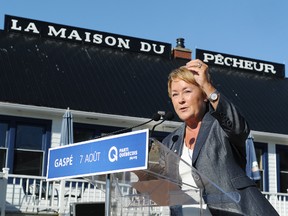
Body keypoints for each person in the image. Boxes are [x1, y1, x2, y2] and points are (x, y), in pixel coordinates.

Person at [161, 59, 279, 216]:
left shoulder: (221, 125)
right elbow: (163, 189)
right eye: (175, 94)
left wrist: (208, 87)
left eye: (187, 91)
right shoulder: (170, 141)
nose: (180, 99)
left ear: (204, 96)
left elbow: (239, 127)